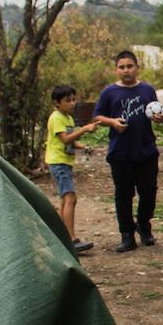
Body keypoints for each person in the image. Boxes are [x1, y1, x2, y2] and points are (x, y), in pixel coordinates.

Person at [92, 51, 163, 253]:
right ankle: (127, 234)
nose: (126, 70)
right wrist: (112, 122)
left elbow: (160, 112)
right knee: (123, 195)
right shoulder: (109, 92)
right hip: (120, 153)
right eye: (122, 67)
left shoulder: (147, 90)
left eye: (129, 66)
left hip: (146, 151)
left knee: (148, 192)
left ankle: (144, 226)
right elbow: (97, 117)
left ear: (137, 67)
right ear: (116, 69)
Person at [44, 84, 100, 253]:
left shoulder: (68, 117)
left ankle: (62, 236)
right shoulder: (56, 118)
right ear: (57, 102)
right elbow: (66, 139)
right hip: (58, 162)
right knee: (70, 198)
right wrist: (84, 128)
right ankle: (71, 239)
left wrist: (83, 146)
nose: (73, 103)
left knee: (65, 199)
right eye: (68, 100)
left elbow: (72, 141)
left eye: (74, 99)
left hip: (64, 161)